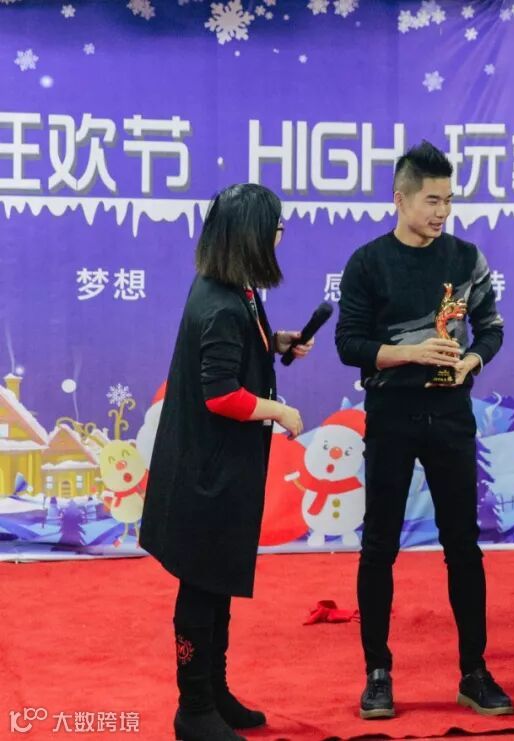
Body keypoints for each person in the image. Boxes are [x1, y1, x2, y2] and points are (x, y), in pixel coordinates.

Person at [335, 141, 511, 719]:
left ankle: (474, 671)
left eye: (449, 200)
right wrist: (409, 352)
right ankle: (377, 673)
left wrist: (472, 360)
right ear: (401, 199)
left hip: (451, 416)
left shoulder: (466, 258)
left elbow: (490, 328)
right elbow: (349, 345)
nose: (442, 211)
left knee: (463, 546)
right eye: (432, 200)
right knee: (379, 547)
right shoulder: (367, 263)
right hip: (391, 416)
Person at [140, 183, 310, 741]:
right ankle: (193, 708)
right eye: (277, 228)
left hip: (219, 466)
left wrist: (274, 342)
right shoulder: (220, 305)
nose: (281, 237)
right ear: (252, 236)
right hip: (205, 473)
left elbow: (235, 355)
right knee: (201, 586)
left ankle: (214, 692)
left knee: (217, 582)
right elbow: (221, 396)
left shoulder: (233, 288)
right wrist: (280, 411)